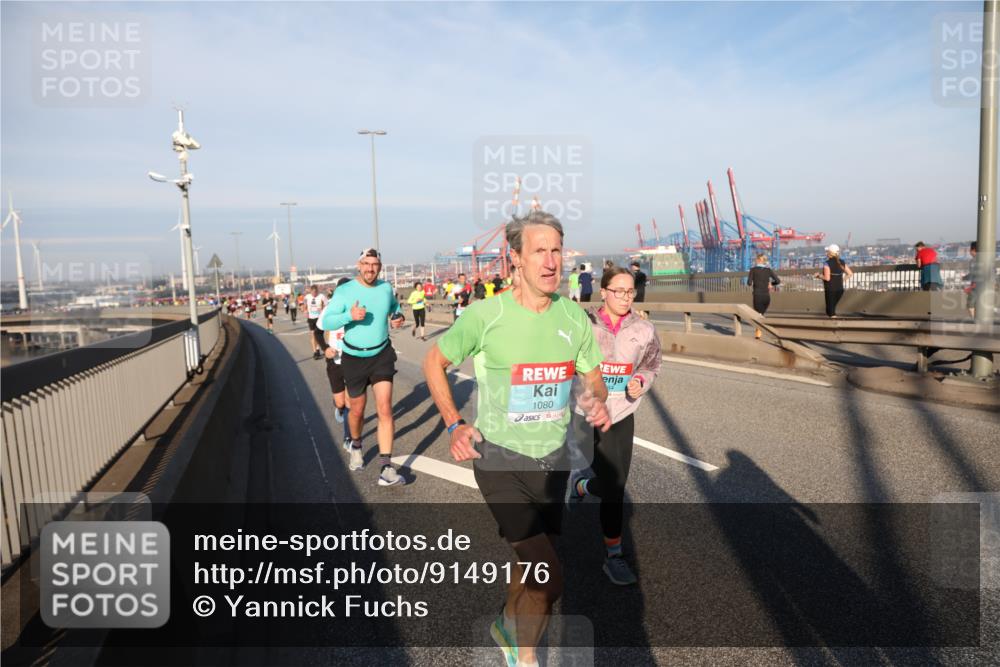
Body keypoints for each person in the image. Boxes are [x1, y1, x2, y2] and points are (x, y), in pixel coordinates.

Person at [423, 211, 611, 667]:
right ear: (516, 259)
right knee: (549, 578)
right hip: (499, 460)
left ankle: (508, 625)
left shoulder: (573, 317)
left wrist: (595, 399)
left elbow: (594, 377)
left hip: (552, 462)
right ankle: (525, 657)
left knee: (530, 560)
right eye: (539, 251)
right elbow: (433, 362)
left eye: (557, 250)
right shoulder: (487, 315)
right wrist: (454, 423)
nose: (551, 262)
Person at [567, 266, 661, 585]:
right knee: (613, 488)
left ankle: (582, 488)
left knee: (616, 486)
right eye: (618, 290)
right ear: (603, 292)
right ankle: (615, 555)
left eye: (630, 291)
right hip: (587, 412)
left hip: (621, 412)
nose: (625, 297)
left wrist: (641, 380)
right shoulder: (584, 324)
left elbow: (652, 364)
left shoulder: (643, 328)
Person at [321, 248, 406, 486]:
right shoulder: (345, 290)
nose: (370, 268)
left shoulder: (386, 288)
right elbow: (327, 321)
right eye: (366, 264)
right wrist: (349, 315)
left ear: (380, 266)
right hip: (354, 358)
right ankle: (356, 444)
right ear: (359, 265)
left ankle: (387, 467)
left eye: (375, 264)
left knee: (385, 409)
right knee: (357, 411)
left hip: (381, 355)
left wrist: (398, 318)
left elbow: (395, 310)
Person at [318, 277, 352, 445]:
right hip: (334, 362)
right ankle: (338, 407)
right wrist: (325, 348)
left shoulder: (357, 307)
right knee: (341, 402)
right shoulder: (330, 309)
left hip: (353, 361)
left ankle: (349, 437)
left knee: (350, 402)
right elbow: (318, 331)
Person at [746, 254, 781, 339]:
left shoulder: (753, 270)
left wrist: (755, 281)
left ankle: (759, 331)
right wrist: (771, 284)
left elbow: (749, 283)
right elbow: (778, 281)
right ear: (764, 261)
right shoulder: (768, 270)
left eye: (755, 259)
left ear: (758, 260)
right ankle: (760, 330)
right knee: (761, 314)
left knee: (758, 315)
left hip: (757, 295)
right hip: (766, 297)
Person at [814, 244, 853, 318]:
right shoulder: (842, 262)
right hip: (840, 290)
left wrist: (818, 276)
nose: (826, 253)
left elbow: (827, 278)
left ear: (830, 253)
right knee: (830, 311)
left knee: (830, 312)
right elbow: (850, 274)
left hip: (830, 290)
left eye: (827, 251)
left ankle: (835, 327)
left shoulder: (827, 263)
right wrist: (841, 280)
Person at [304, 284, 329, 359]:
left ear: (317, 291)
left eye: (315, 292)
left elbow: (327, 305)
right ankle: (315, 351)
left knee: (319, 335)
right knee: (313, 335)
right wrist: (305, 311)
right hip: (311, 318)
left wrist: (322, 310)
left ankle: (323, 348)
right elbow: (304, 304)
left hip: (319, 318)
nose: (314, 294)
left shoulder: (322, 296)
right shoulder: (307, 297)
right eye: (312, 292)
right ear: (310, 291)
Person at [963, 241, 979, 318]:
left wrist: (970, 288)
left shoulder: (973, 261)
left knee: (970, 305)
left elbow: (973, 275)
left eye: (970, 250)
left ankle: (975, 321)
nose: (969, 252)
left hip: (976, 286)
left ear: (973, 250)